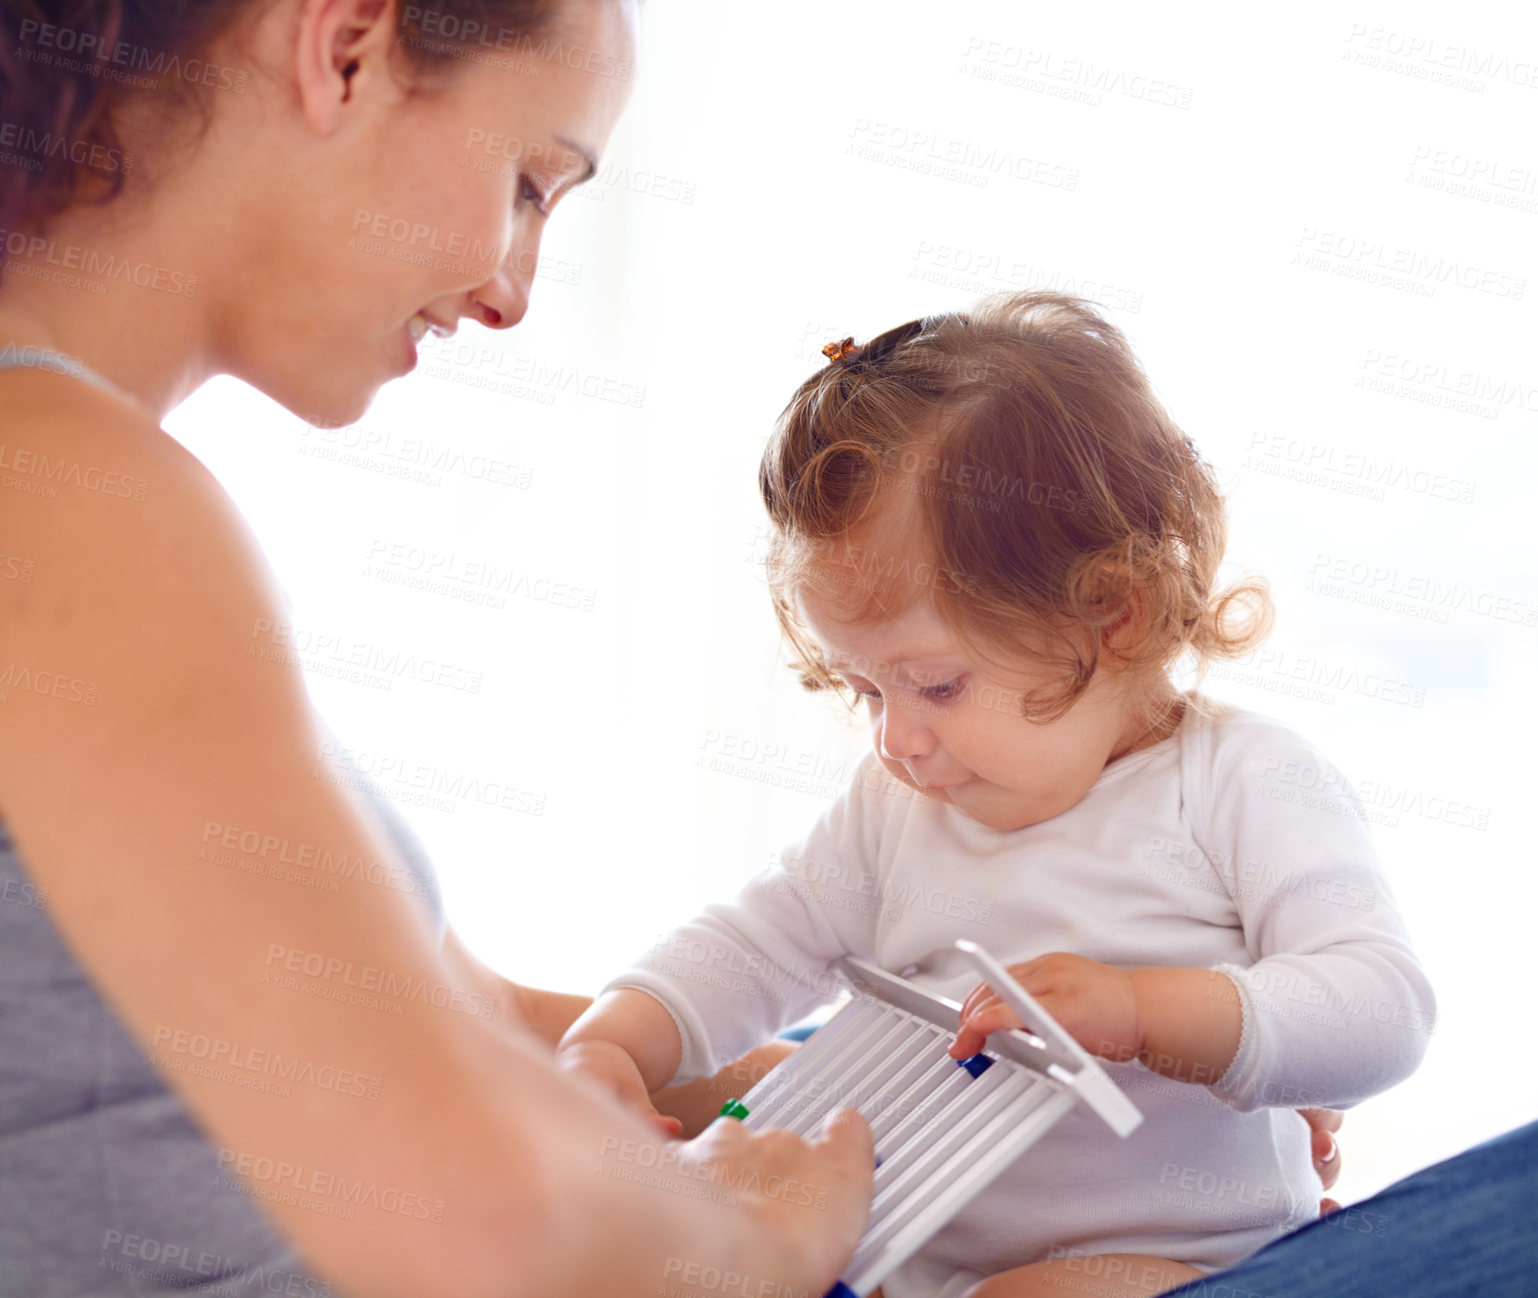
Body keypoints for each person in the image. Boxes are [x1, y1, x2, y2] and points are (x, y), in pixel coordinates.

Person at [0, 3, 877, 1297]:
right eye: (530, 183)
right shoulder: (68, 493)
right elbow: (474, 1225)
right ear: (345, 45)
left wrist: (778, 1083)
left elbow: (439, 1014)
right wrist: (764, 1240)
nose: (514, 291)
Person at [555, 294, 1438, 1298]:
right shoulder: (895, 805)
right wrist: (611, 1040)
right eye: (862, 689)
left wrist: (1149, 1009)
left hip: (1171, 1260)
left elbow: (1381, 1009)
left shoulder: (1241, 780)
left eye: (932, 684)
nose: (894, 737)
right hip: (903, 1244)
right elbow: (754, 941)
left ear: (1110, 612)